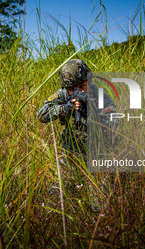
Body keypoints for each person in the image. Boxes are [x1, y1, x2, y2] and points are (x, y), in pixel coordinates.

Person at [37, 59, 117, 210]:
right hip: (70, 151)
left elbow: (113, 123)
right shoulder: (63, 94)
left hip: (97, 151)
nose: (77, 91)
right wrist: (64, 109)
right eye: (72, 88)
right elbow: (41, 114)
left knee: (99, 199)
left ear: (90, 82)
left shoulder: (100, 96)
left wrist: (93, 114)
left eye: (82, 86)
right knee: (57, 194)